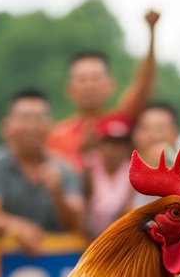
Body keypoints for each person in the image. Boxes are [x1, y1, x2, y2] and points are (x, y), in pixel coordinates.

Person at [47, 10, 160, 171]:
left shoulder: (119, 122)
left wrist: (152, 33)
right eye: (83, 80)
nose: (90, 85)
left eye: (96, 78)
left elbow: (144, 86)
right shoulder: (56, 136)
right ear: (70, 89)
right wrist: (80, 151)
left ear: (110, 84)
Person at [0, 89, 85, 253]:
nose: (31, 126)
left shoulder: (65, 168)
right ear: (7, 126)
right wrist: (19, 227)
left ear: (49, 125)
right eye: (24, 118)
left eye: (39, 118)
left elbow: (76, 222)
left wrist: (58, 193)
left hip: (58, 267)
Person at [83, 112, 135, 238]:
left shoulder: (133, 172)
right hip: (86, 238)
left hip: (119, 237)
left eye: (120, 144)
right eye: (110, 143)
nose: (115, 149)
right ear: (100, 145)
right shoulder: (88, 168)